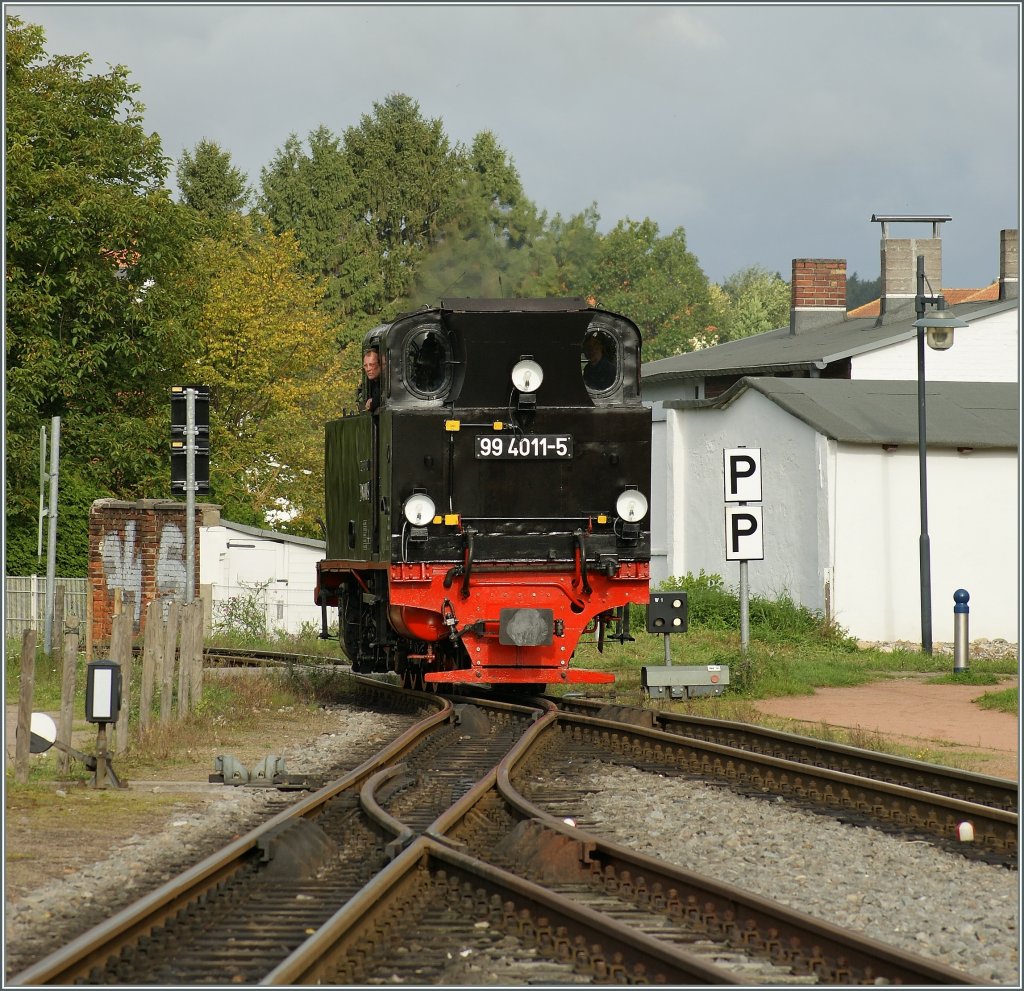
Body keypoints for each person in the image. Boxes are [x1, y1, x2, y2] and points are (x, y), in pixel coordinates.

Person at [360, 347, 382, 412]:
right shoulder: (368, 385)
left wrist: (372, 402)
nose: (368, 369)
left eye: (372, 365)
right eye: (365, 366)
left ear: (380, 364)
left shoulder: (388, 383)